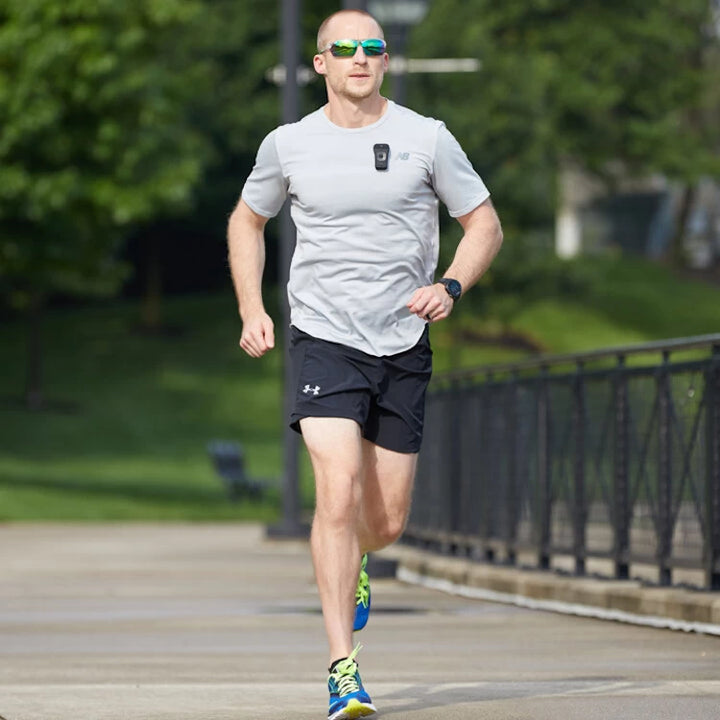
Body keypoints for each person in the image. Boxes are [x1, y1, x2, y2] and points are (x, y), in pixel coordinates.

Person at [227, 9, 503, 719]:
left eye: (372, 48)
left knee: (384, 523)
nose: (360, 58)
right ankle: (341, 667)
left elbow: (484, 224)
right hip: (323, 337)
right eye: (344, 49)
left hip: (402, 340)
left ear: (385, 61)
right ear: (320, 63)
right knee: (338, 493)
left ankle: (360, 566)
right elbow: (246, 220)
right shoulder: (288, 144)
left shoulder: (426, 138)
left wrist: (449, 286)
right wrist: (252, 308)